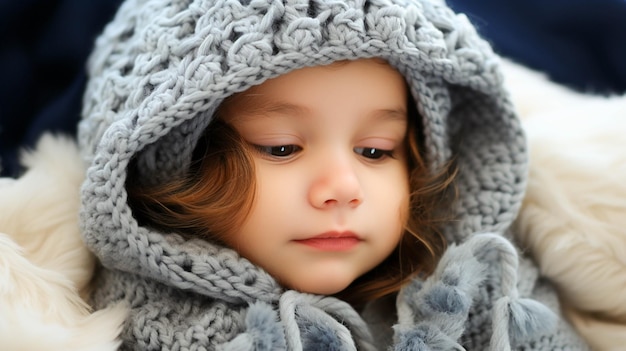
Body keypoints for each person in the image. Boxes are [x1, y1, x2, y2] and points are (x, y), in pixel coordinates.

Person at [78, 0, 590, 349]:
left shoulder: (481, 287)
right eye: (281, 147)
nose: (342, 188)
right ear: (168, 159)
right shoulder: (151, 324)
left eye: (374, 150)